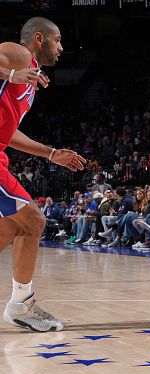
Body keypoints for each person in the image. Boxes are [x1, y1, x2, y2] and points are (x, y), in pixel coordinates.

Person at [0, 17, 86, 332]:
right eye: (58, 40)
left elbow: (8, 133)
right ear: (39, 38)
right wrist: (10, 72)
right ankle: (21, 304)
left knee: (14, 227)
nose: (62, 47)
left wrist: (51, 153)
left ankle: (20, 303)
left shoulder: (30, 77)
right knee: (34, 219)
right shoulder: (18, 55)